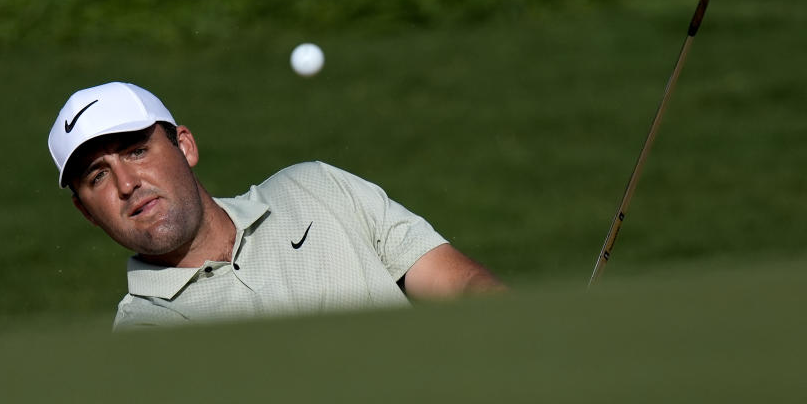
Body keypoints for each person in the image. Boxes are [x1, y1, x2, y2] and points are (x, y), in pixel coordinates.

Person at [48, 82, 503, 329]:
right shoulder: (146, 330)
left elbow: (459, 286)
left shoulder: (317, 188)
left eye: (136, 151)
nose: (127, 183)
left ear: (184, 146)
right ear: (87, 213)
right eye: (98, 176)